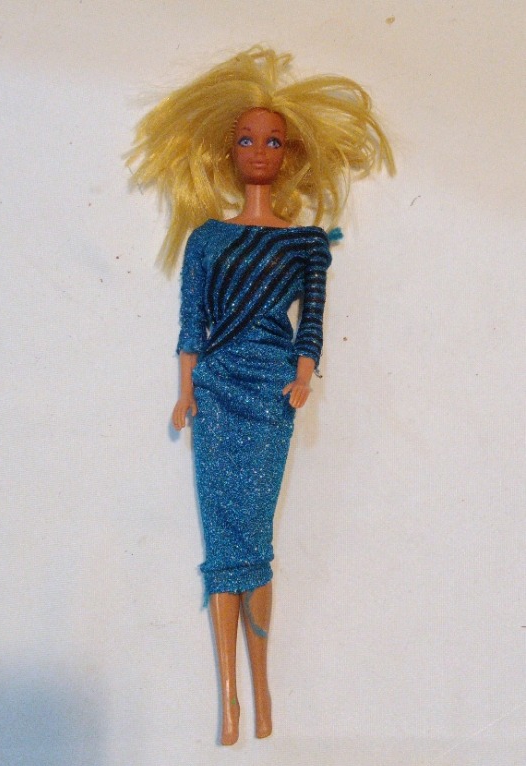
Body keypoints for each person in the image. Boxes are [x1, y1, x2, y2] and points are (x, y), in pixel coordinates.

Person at [127, 46, 394, 745]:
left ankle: (263, 688)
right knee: (224, 541)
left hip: (273, 394)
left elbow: (313, 325)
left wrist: (302, 378)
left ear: (290, 153)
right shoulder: (207, 238)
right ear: (228, 150)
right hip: (216, 392)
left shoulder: (306, 243)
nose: (258, 151)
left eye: (272, 141)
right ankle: (230, 697)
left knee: (256, 537)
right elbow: (192, 323)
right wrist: (185, 389)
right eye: (246, 140)